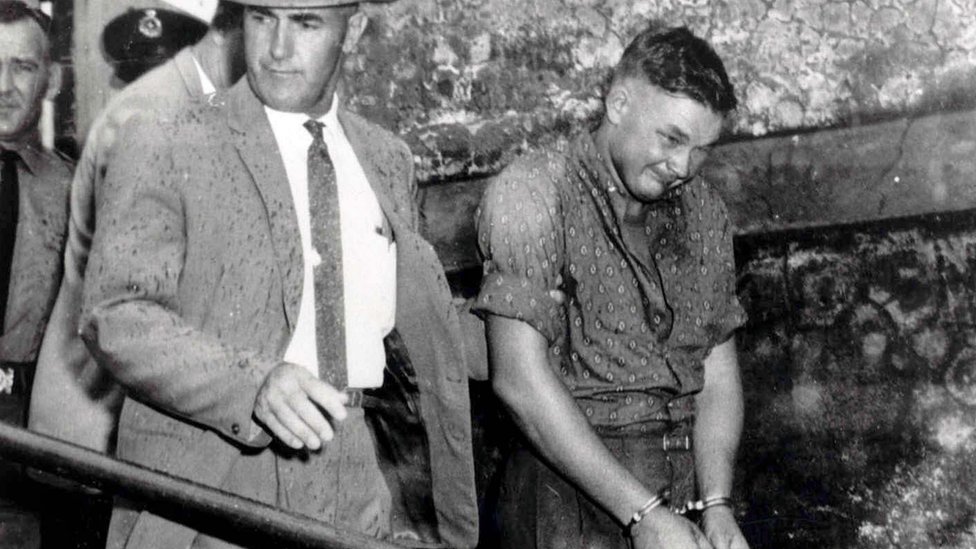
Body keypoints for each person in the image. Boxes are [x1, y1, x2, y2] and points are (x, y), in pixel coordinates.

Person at [80, 0, 478, 548]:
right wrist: (254, 384)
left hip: (359, 478)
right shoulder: (167, 138)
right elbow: (115, 315)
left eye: (307, 23)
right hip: (220, 486)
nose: (277, 48)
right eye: (263, 17)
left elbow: (398, 342)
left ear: (354, 29)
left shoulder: (387, 159)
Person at [474, 24, 750, 549]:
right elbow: (518, 382)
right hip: (563, 499)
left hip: (679, 491)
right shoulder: (531, 193)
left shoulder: (704, 210)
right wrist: (643, 515)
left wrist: (716, 503)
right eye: (671, 138)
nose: (683, 167)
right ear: (618, 103)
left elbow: (717, 371)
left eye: (702, 149)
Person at [29, 0, 245, 461]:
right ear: (234, 26)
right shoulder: (146, 119)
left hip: (135, 425)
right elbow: (141, 307)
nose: (287, 55)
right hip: (100, 432)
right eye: (273, 24)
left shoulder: (203, 104)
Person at [0, 0, 69, 545]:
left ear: (51, 79)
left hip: (27, 440)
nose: (3, 86)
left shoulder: (74, 194)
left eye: (22, 67)